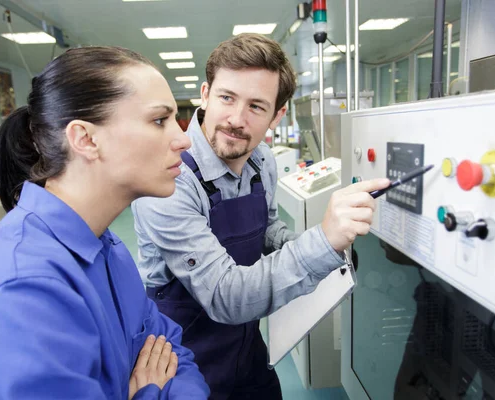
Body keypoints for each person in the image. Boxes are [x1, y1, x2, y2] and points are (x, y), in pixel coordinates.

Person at [132, 33, 389, 399]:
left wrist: (319, 245)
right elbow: (225, 296)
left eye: (256, 106)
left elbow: (267, 230)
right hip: (182, 361)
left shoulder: (262, 160)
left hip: (247, 349)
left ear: (277, 115)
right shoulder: (169, 178)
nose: (236, 119)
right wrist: (321, 243)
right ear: (205, 93)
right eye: (226, 97)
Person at [0, 46, 209, 399]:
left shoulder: (108, 250)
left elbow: (176, 359)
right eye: (158, 121)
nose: (183, 139)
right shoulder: (23, 293)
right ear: (86, 139)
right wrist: (150, 393)